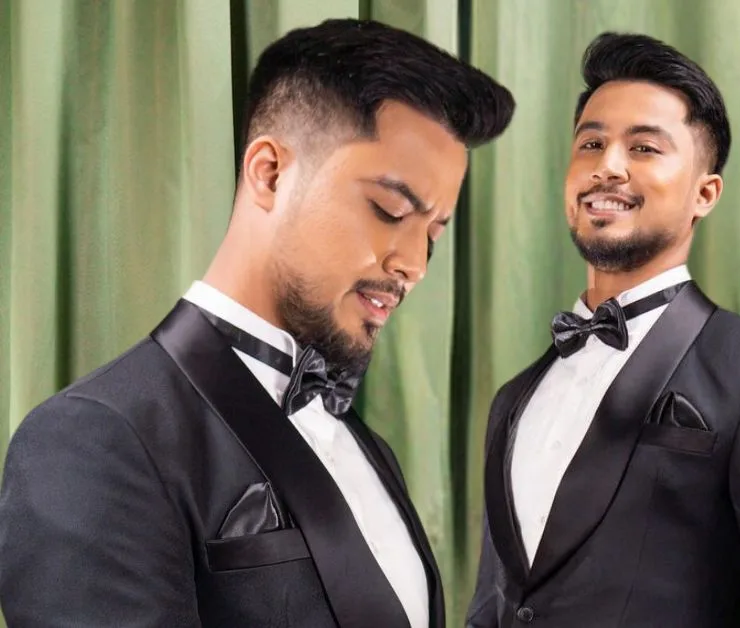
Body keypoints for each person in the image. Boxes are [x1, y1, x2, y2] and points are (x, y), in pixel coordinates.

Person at [0, 18, 513, 628]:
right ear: (269, 172)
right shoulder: (95, 439)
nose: (414, 265)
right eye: (389, 210)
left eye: (432, 233)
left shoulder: (366, 446)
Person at [467, 32, 740, 628]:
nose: (607, 166)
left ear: (706, 192)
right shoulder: (514, 398)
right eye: (591, 143)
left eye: (644, 147)